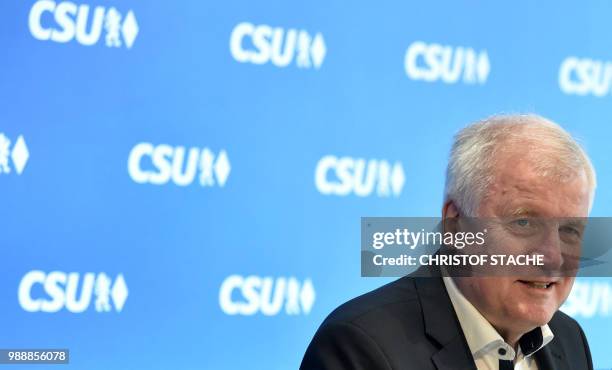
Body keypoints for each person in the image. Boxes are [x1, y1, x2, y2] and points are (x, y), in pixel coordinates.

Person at [301, 114, 596, 370]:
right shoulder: (362, 345)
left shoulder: (570, 340)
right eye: (523, 222)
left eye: (570, 230)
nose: (552, 257)